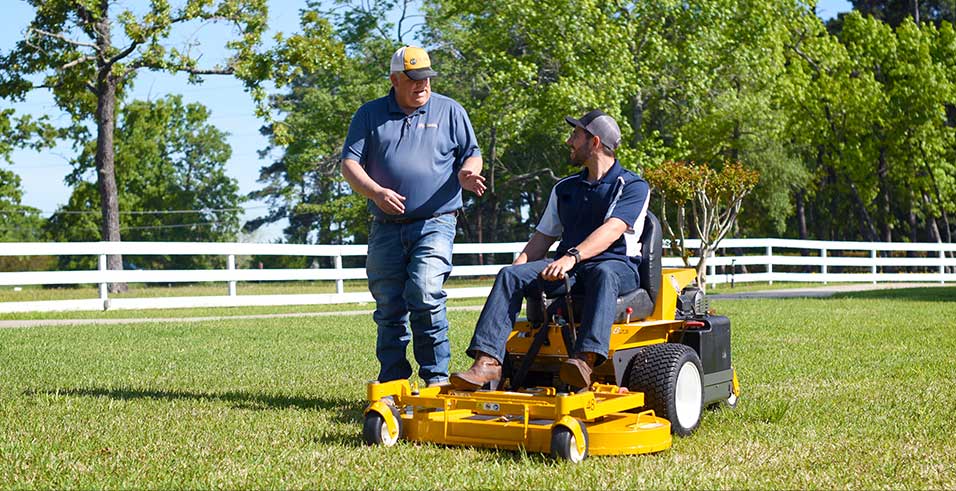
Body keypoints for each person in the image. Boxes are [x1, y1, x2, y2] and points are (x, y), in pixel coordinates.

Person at [450, 109, 650, 391]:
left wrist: (572, 256)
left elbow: (613, 229)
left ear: (594, 142)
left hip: (616, 265)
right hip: (573, 267)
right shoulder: (565, 189)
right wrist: (518, 271)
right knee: (510, 275)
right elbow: (541, 239)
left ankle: (584, 360)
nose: (569, 141)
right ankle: (488, 363)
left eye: (575, 135)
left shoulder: (632, 185)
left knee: (604, 273)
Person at [341, 46, 485, 388]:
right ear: (394, 80)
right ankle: (393, 382)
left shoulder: (450, 111)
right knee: (389, 306)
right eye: (414, 79)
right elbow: (349, 164)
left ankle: (436, 380)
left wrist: (467, 173)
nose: (423, 86)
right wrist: (377, 192)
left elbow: (472, 153)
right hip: (385, 227)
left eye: (427, 79)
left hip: (436, 220)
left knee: (424, 290)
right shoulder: (369, 114)